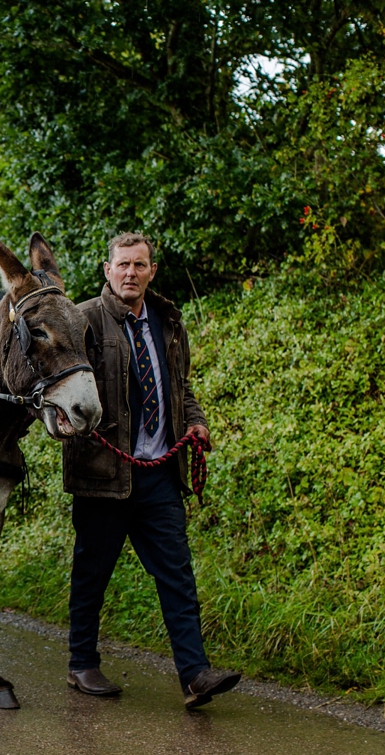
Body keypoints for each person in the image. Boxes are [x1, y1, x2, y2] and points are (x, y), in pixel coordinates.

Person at [63, 231, 240, 709]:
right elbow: (59, 387)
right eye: (122, 265)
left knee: (177, 574)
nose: (130, 273)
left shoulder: (167, 320)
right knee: (92, 573)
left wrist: (196, 423)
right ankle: (82, 663)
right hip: (105, 475)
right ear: (107, 269)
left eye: (139, 265)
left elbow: (179, 387)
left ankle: (195, 675)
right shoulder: (82, 321)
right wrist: (62, 422)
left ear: (151, 271)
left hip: (160, 474)